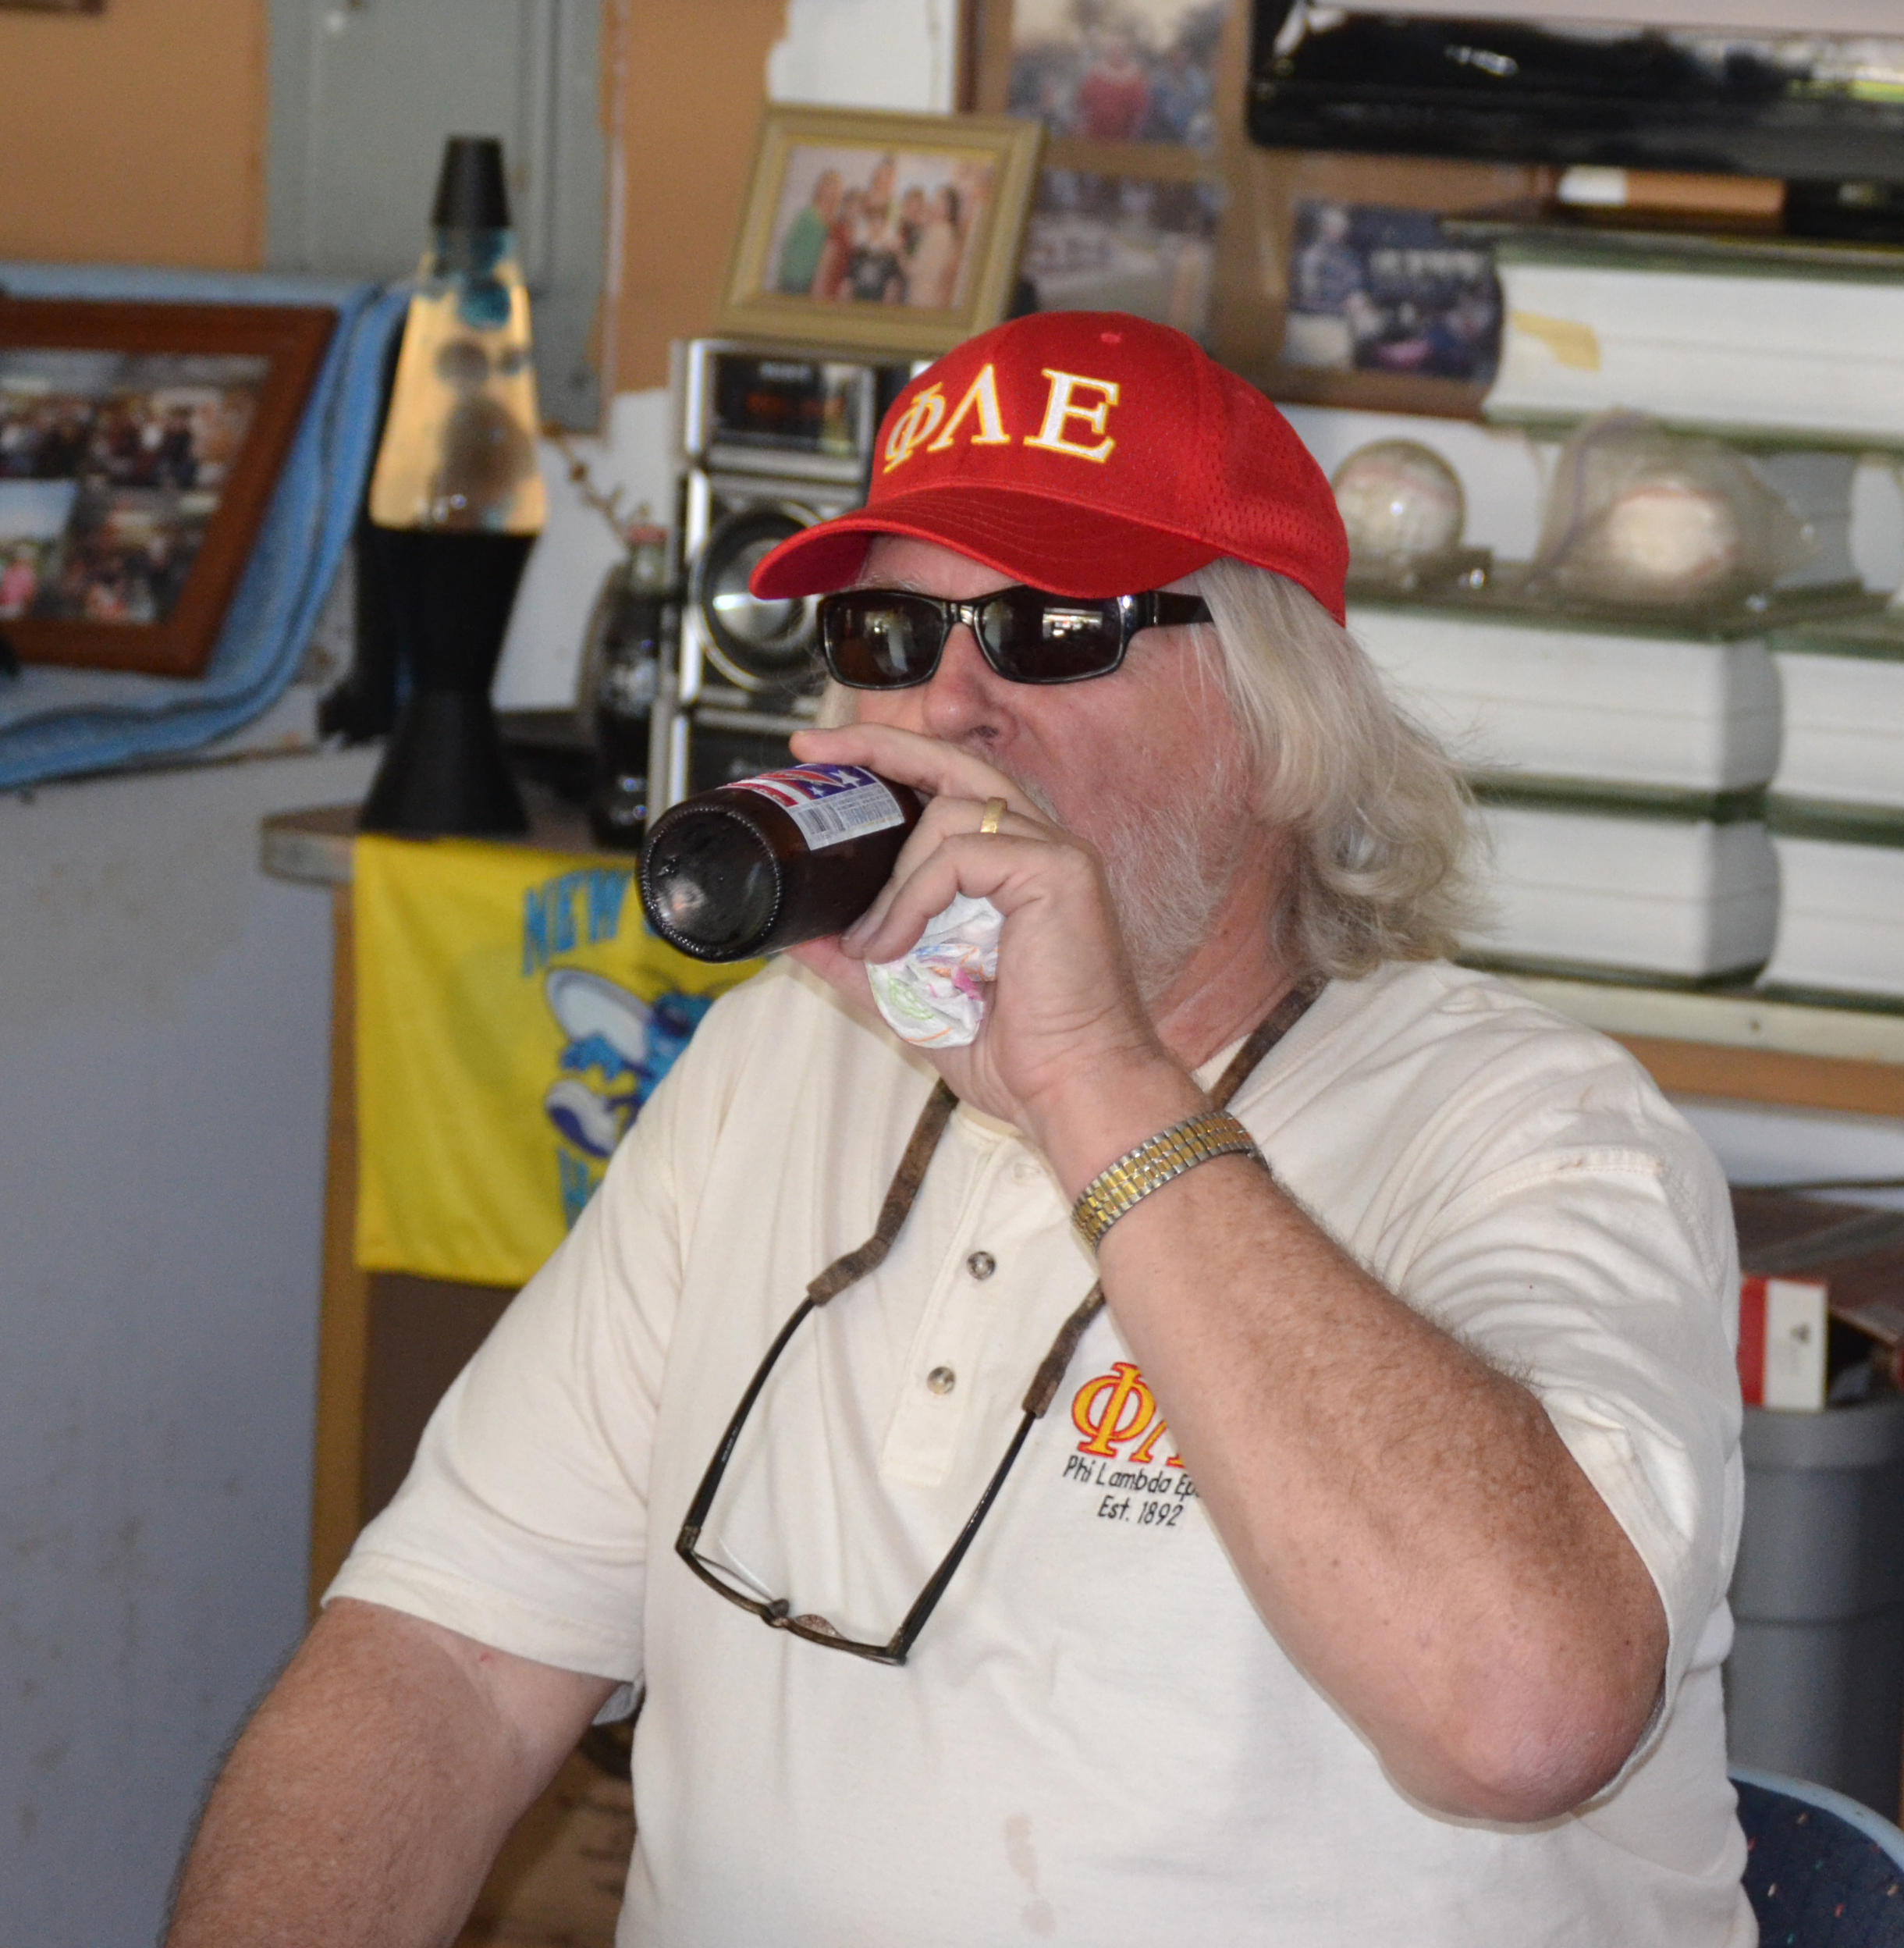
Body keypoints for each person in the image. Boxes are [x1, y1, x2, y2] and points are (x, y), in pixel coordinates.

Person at [165, 311, 1748, 1947]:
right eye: (889, 631)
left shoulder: (1537, 1130)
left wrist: (1094, 1085)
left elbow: (1521, 1718)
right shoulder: (785, 1055)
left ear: (1286, 727)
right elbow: (451, 1655)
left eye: (1052, 629)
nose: (950, 703)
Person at [775, 168, 840, 298]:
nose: (829, 192)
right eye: (828, 186)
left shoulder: (833, 221)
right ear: (820, 188)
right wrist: (784, 273)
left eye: (834, 189)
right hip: (794, 278)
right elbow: (788, 245)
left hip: (813, 283)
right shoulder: (807, 215)